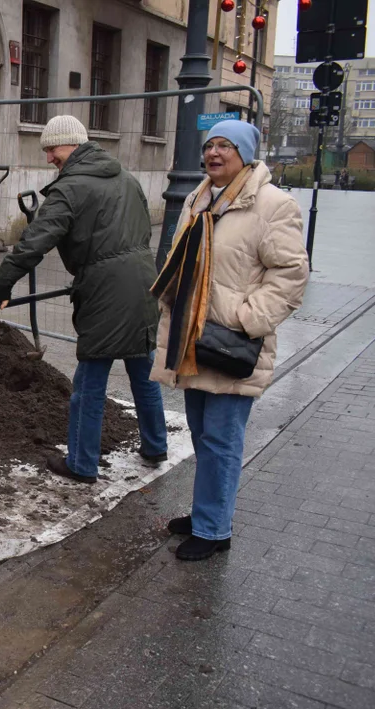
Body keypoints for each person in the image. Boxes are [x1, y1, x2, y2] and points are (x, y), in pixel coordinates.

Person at [151, 119, 308, 561]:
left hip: (231, 342)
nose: (214, 153)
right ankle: (207, 513)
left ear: (245, 153)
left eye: (225, 146)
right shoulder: (199, 197)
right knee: (203, 434)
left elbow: (292, 275)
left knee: (222, 438)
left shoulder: (274, 205)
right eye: (210, 145)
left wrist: (247, 319)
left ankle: (214, 531)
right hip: (194, 338)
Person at [0, 115, 167, 484]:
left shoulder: (69, 189)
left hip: (105, 290)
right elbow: (143, 228)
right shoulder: (126, 179)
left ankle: (82, 464)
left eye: (52, 148)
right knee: (143, 369)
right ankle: (155, 445)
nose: (49, 157)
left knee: (90, 381)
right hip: (144, 282)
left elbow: (32, 245)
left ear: (71, 144)